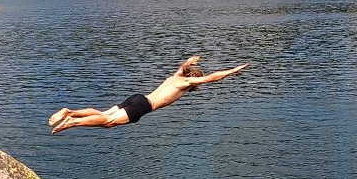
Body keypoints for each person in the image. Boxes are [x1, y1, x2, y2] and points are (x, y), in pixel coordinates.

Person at [49, 56, 248, 134]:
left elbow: (183, 67)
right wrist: (232, 70)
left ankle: (71, 112)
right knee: (108, 121)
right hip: (144, 106)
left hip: (137, 97)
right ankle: (71, 122)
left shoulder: (176, 76)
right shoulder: (185, 82)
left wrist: (189, 61)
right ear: (192, 78)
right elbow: (212, 78)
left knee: (104, 116)